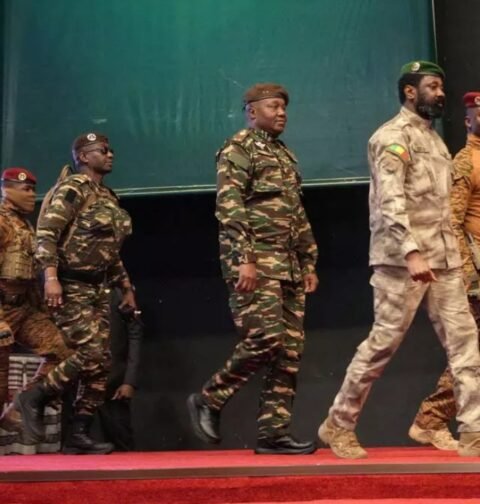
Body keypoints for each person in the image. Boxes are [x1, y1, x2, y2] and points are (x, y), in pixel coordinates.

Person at [318, 61, 480, 459]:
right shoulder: (391, 137)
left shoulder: (435, 142)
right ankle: (338, 424)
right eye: (433, 86)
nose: (440, 93)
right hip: (401, 262)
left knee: (466, 344)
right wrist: (411, 251)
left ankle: (474, 431)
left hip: (443, 260)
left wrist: (452, 258)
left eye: (441, 87)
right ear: (410, 91)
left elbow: (443, 208)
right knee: (383, 344)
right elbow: (389, 202)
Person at [187, 83, 319, 455]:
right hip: (255, 263)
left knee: (288, 352)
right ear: (251, 111)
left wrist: (308, 260)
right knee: (266, 337)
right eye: (273, 106)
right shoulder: (238, 149)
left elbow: (296, 213)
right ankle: (209, 398)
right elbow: (230, 208)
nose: (282, 113)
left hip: (288, 266)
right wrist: (245, 258)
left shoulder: (283, 154)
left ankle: (273, 433)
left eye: (284, 107)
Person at [22, 133, 136, 454]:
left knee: (102, 364)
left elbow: (110, 251)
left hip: (98, 287)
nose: (110, 154)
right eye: (102, 150)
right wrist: (50, 277)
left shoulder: (107, 196)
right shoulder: (72, 189)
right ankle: (35, 396)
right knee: (90, 353)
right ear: (84, 157)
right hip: (70, 285)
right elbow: (47, 234)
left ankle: (79, 432)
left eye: (111, 150)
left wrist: (125, 287)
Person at [409, 91, 480, 450]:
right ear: (468, 120)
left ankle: (432, 419)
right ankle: (431, 419)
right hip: (475, 272)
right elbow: (452, 222)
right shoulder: (465, 162)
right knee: (472, 353)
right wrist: (467, 275)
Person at [0, 168, 72, 436]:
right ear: (6, 190)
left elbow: (28, 274)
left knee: (65, 352)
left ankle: (23, 401)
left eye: (33, 190)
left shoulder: (24, 224)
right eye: (26, 190)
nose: (32, 195)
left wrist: (43, 311)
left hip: (23, 309)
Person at [94, 287, 143, 451]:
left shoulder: (120, 293)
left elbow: (135, 335)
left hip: (113, 383)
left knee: (121, 442)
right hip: (80, 381)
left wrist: (129, 381)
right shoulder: (72, 290)